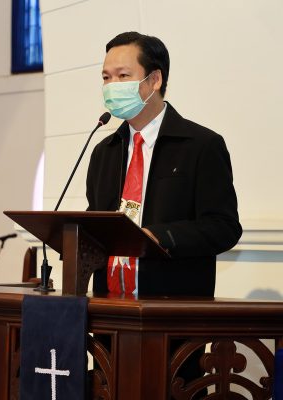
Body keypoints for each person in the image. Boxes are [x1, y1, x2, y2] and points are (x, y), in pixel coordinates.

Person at [86, 31, 242, 398]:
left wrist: (161, 237)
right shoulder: (104, 151)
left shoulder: (201, 146)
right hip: (110, 317)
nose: (111, 86)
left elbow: (223, 227)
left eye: (122, 76)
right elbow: (97, 221)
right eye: (106, 77)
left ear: (154, 80)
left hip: (171, 321)